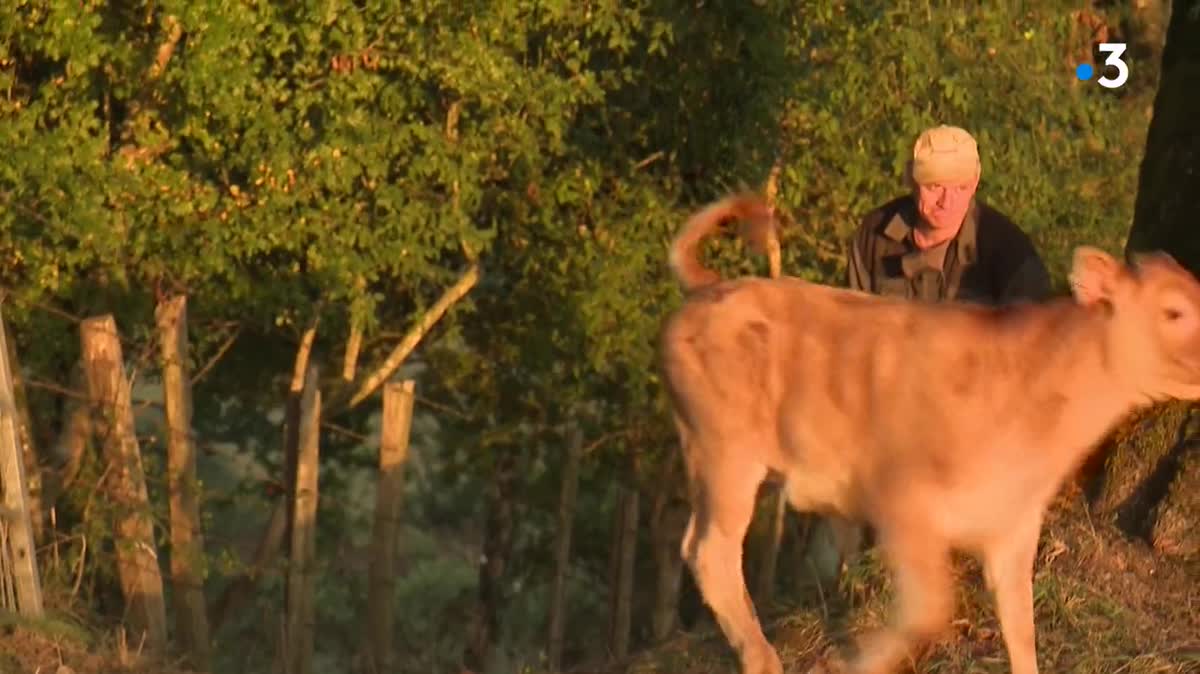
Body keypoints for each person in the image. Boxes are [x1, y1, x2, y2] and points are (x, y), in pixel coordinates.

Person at [804, 124, 1054, 589]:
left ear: (975, 184)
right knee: (822, 561)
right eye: (935, 187)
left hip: (975, 436)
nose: (947, 202)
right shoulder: (874, 235)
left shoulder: (1008, 251)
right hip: (883, 423)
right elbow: (848, 337)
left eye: (960, 188)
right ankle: (822, 608)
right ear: (911, 181)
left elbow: (1033, 359)